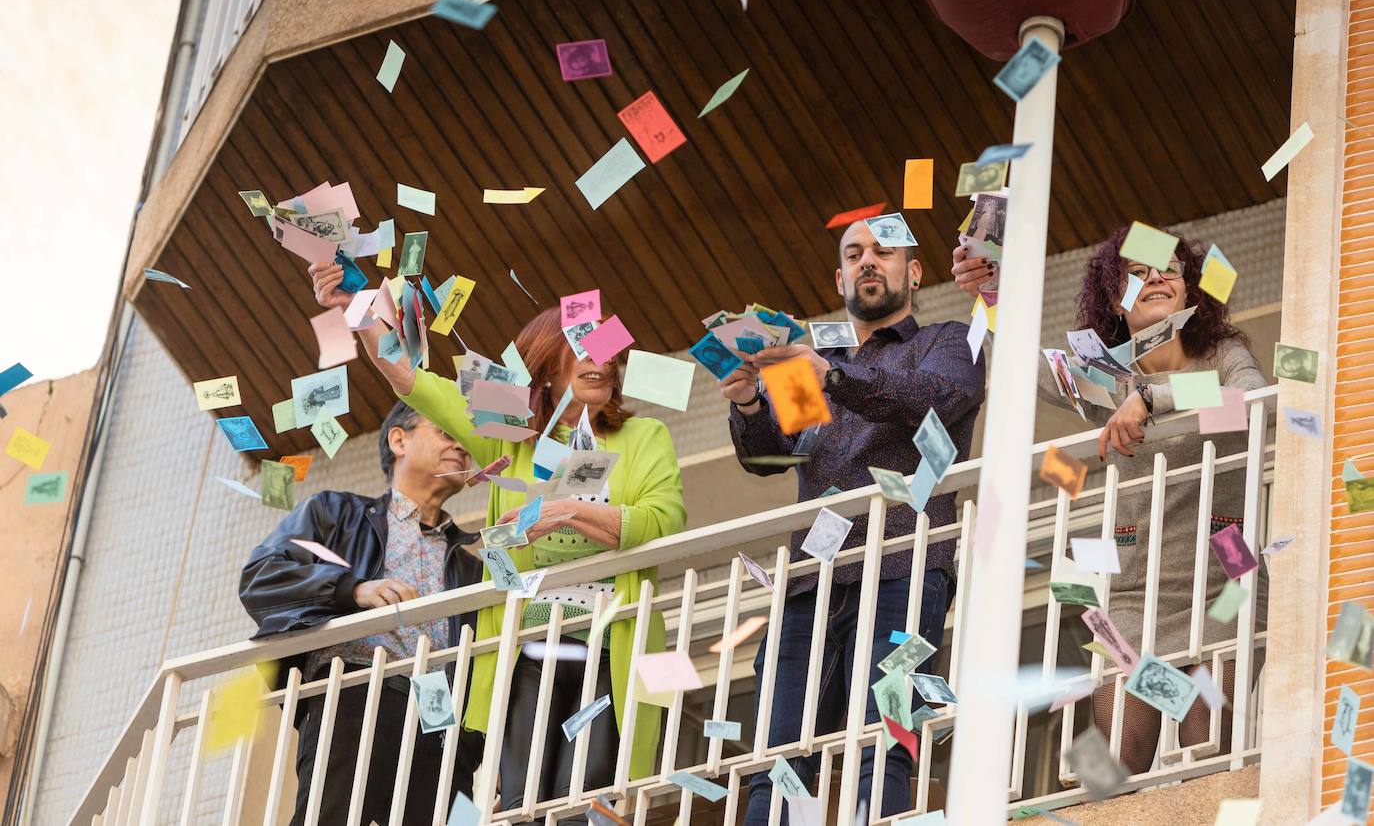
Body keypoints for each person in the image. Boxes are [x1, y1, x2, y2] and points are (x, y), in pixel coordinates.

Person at [308, 261, 686, 823]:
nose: (601, 360)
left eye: (609, 352)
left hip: (611, 645)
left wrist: (562, 512)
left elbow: (664, 521)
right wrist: (355, 304)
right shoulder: (510, 434)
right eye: (583, 347)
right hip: (527, 650)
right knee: (522, 799)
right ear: (547, 369)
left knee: (590, 797)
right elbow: (412, 380)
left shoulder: (644, 436)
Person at [953, 225, 1269, 774]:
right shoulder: (1105, 376)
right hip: (1134, 592)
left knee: (1208, 745)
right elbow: (1019, 368)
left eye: (1168, 269)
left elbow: (1249, 397)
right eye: (1138, 272)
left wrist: (1152, 398)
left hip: (1226, 583)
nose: (1156, 278)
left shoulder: (1221, 352)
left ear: (1190, 290)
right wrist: (991, 297)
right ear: (1114, 302)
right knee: (1121, 753)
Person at [719, 221, 985, 823]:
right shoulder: (810, 359)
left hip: (905, 568)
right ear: (839, 279)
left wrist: (831, 374)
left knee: (884, 739)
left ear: (914, 272)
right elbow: (771, 458)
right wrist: (748, 402)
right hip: (811, 579)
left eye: (883, 252)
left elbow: (938, 398)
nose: (869, 262)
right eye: (854, 255)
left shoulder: (946, 340)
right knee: (779, 750)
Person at [239, 402, 485, 826]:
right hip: (355, 681)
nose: (462, 448)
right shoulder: (335, 513)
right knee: (331, 816)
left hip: (439, 707)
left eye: (467, 440)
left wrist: (479, 748)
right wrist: (352, 588)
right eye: (446, 433)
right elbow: (261, 576)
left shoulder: (471, 567)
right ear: (399, 440)